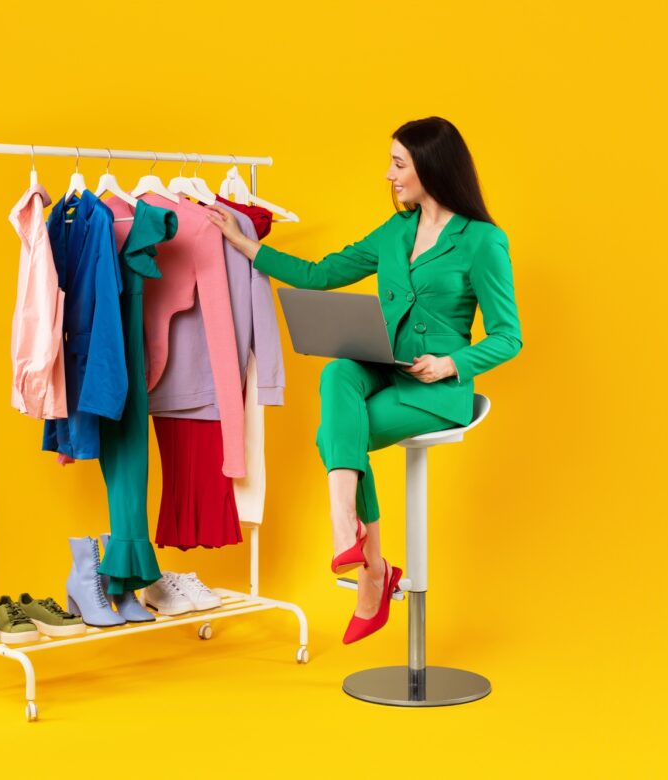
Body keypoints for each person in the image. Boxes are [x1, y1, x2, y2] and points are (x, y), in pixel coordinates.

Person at [204, 116, 523, 643]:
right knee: (338, 374)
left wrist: (451, 364)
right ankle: (353, 541)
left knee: (336, 433)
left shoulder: (483, 241)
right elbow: (323, 273)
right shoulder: (396, 232)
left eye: (398, 163)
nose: (389, 174)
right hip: (385, 367)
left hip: (439, 390)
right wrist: (245, 246)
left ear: (431, 167)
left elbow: (509, 336)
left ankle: (368, 563)